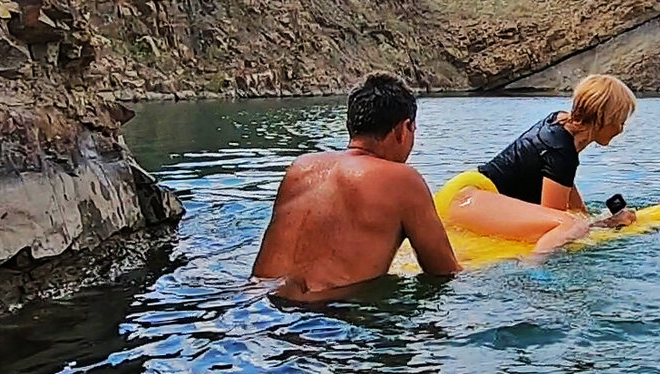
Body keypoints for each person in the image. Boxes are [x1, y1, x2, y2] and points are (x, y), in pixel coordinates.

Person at [252, 73, 461, 301]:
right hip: (326, 317)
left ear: (350, 124)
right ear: (404, 128)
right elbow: (444, 272)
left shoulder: (300, 168)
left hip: (257, 303)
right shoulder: (403, 181)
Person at [437, 74, 638, 259]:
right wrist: (605, 225)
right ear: (603, 118)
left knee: (576, 220)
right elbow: (556, 221)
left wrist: (585, 215)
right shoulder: (561, 152)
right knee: (570, 225)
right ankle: (534, 272)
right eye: (620, 121)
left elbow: (563, 181)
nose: (621, 129)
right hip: (467, 201)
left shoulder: (560, 123)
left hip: (465, 191)